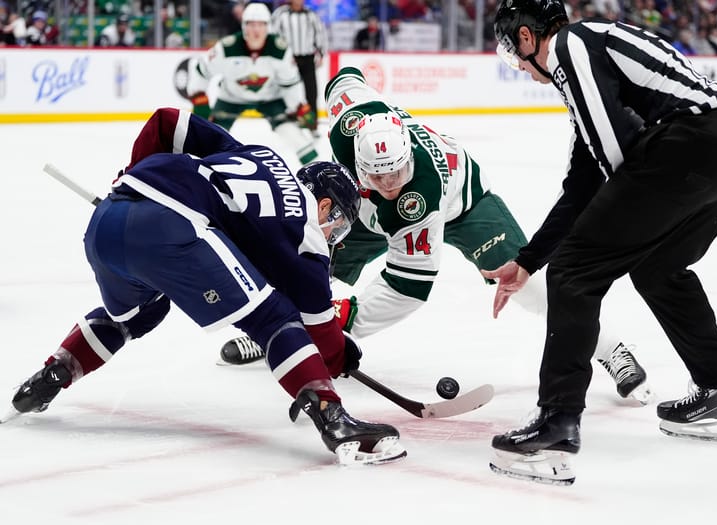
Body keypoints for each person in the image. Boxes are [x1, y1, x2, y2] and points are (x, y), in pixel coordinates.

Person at [218, 65, 653, 407]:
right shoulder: (350, 125)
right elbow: (346, 81)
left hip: (464, 206)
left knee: (524, 283)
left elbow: (408, 287)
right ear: (358, 159)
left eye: (398, 175)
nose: (392, 185)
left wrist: (345, 319)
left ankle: (612, 348)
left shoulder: (417, 197)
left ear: (408, 156)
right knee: (317, 256)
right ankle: (285, 332)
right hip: (368, 211)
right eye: (380, 177)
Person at [5, 107, 406, 466]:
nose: (332, 235)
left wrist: (135, 176)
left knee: (140, 312)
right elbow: (318, 331)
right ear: (325, 206)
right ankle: (333, 419)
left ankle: (56, 371)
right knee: (274, 320)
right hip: (172, 226)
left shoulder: (259, 155)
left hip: (107, 221)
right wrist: (340, 354)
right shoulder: (308, 235)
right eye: (337, 223)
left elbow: (168, 122)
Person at [486, 0, 717, 484]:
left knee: (575, 270)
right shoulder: (593, 58)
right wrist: (528, 261)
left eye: (514, 53)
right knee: (659, 268)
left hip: (691, 144)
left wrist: (581, 246)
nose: (523, 69)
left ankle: (556, 422)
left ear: (528, 39)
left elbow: (613, 155)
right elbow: (584, 179)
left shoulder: (571, 46)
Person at [186, 2, 318, 165]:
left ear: (268, 27)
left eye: (261, 25)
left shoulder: (280, 50)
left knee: (294, 134)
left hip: (270, 98)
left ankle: (316, 171)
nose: (256, 30)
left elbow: (290, 83)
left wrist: (299, 106)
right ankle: (199, 170)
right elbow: (200, 70)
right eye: (251, 25)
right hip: (231, 98)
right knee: (211, 138)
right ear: (243, 26)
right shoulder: (226, 48)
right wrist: (200, 98)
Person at [270, 0, 328, 135]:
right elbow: (273, 35)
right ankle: (283, 124)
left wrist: (321, 53)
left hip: (307, 58)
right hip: (288, 60)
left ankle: (313, 126)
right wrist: (278, 56)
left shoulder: (311, 15)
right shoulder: (280, 14)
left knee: (311, 93)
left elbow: (320, 34)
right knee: (286, 92)